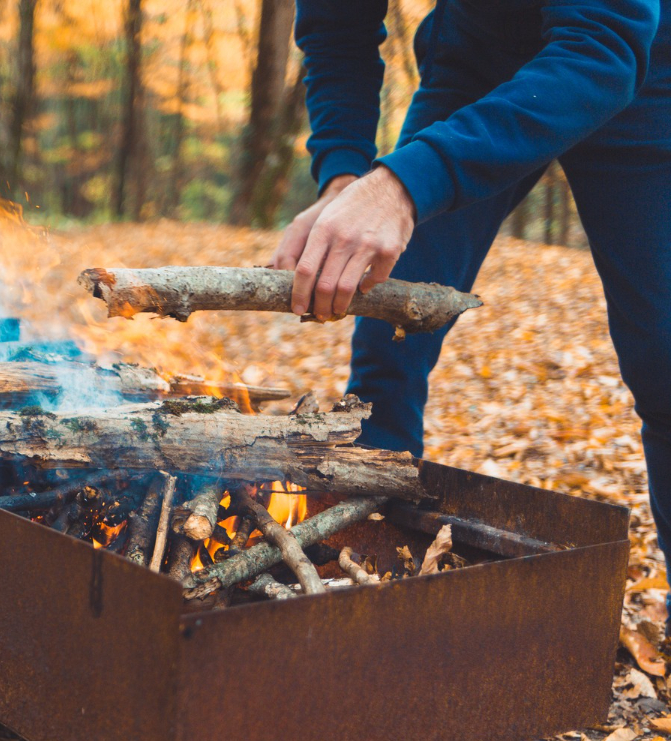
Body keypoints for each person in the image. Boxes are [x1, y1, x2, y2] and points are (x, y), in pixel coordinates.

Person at [274, 0, 670, 565]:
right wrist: (344, 175)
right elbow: (338, 24)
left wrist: (402, 187)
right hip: (475, 63)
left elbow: (601, 48)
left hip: (639, 67)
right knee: (389, 337)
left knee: (666, 360)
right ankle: (361, 572)